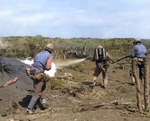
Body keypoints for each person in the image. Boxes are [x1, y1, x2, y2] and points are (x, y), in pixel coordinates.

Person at [26, 43, 54, 113]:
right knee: (37, 93)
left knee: (43, 84)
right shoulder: (49, 56)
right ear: (51, 51)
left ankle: (43, 102)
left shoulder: (39, 53)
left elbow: (36, 62)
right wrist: (48, 68)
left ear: (45, 48)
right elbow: (47, 67)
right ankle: (30, 108)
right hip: (38, 72)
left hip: (32, 70)